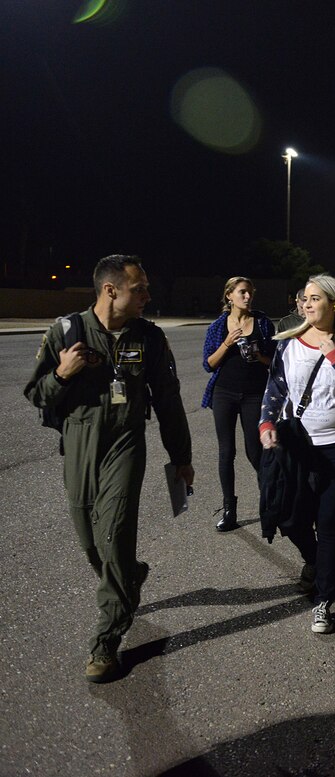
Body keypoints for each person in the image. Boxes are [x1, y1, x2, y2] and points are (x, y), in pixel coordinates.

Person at [24, 254, 194, 683]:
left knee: (115, 534)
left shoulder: (149, 337)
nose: (147, 296)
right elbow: (37, 394)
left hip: (125, 442)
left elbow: (168, 400)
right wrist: (62, 374)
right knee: (90, 540)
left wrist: (181, 457)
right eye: (140, 289)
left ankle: (106, 640)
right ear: (110, 290)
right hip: (79, 442)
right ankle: (129, 576)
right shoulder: (67, 331)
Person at [259, 274, 335, 633]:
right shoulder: (288, 343)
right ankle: (314, 560)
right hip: (299, 445)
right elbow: (275, 387)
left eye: (315, 299)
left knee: (327, 522)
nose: (307, 305)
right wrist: (266, 423)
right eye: (305, 299)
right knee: (291, 518)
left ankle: (324, 601)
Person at [201, 276, 275, 531]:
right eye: (242, 292)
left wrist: (258, 355)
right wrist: (226, 343)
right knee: (226, 452)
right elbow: (208, 364)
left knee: (255, 451)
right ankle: (229, 510)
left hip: (254, 394)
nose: (247, 297)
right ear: (229, 295)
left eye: (250, 292)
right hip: (224, 393)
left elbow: (275, 361)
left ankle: (269, 504)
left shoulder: (263, 323)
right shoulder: (218, 326)